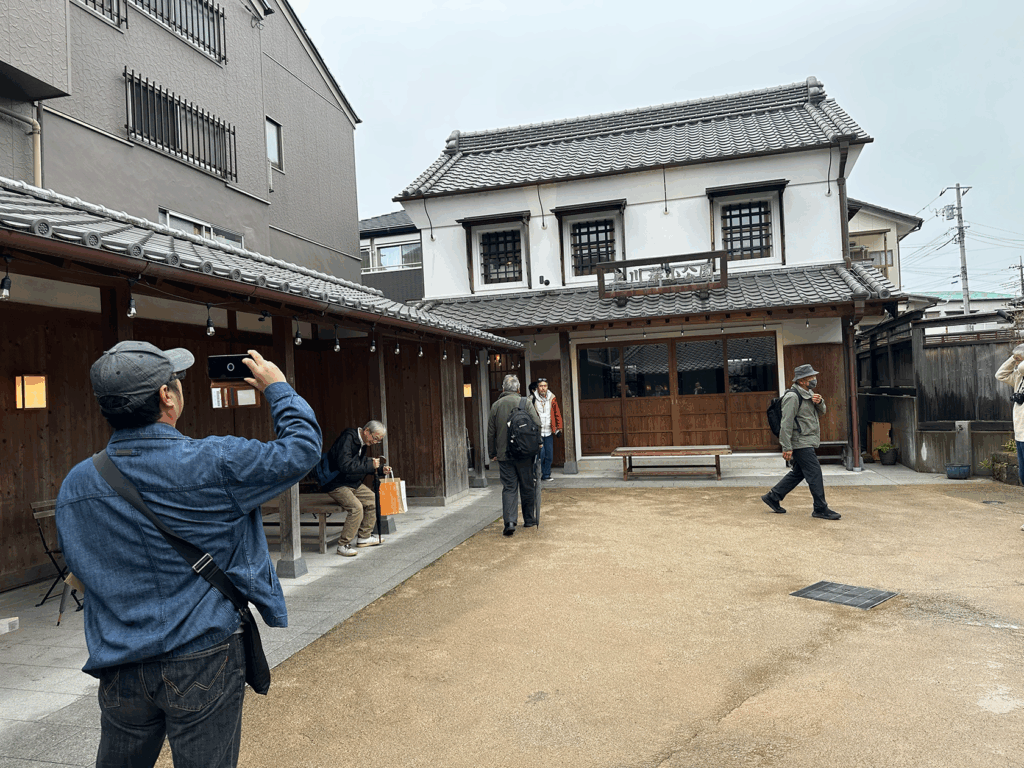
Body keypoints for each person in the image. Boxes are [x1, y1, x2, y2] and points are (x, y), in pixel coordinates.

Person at [55, 342, 321, 768]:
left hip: (120, 657)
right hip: (202, 650)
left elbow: (84, 565)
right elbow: (301, 449)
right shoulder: (212, 461)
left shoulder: (77, 483)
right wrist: (279, 389)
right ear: (166, 396)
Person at [761, 363, 841, 520]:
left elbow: (821, 412)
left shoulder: (809, 393)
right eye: (811, 377)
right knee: (814, 472)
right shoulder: (792, 397)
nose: (814, 379)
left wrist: (820, 402)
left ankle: (773, 496)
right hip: (799, 442)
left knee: (799, 472)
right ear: (802, 380)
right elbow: (786, 423)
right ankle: (820, 508)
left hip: (806, 440)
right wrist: (787, 447)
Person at [322, 421, 392, 556]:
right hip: (336, 483)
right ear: (366, 431)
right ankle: (343, 545)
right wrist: (370, 466)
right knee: (356, 508)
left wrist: (380, 469)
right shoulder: (348, 438)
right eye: (375, 438)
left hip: (351, 482)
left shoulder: (362, 442)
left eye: (378, 440)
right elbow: (345, 465)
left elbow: (359, 463)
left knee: (374, 500)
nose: (375, 442)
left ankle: (364, 537)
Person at [488, 374, 541, 536]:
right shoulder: (525, 403)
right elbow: (537, 424)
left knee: (509, 487)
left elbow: (491, 432)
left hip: (505, 455)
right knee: (527, 485)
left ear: (503, 389)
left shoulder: (496, 405)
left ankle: (510, 522)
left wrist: (493, 453)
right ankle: (529, 519)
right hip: (525, 453)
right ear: (518, 389)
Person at [994, 344, 1024, 531]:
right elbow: (1000, 375)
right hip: (1020, 434)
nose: (1018, 363)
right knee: (1023, 476)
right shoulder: (1019, 379)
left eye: (1019, 359)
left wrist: (1021, 357)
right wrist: (1014, 358)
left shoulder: (1021, 371)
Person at [531, 377, 563, 481]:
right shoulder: (532, 399)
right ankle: (536, 475)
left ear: (547, 387)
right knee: (541, 455)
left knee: (549, 455)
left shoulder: (552, 398)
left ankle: (546, 475)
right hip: (538, 432)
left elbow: (557, 413)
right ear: (537, 388)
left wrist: (559, 428)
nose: (543, 388)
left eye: (545, 386)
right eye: (541, 386)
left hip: (549, 431)